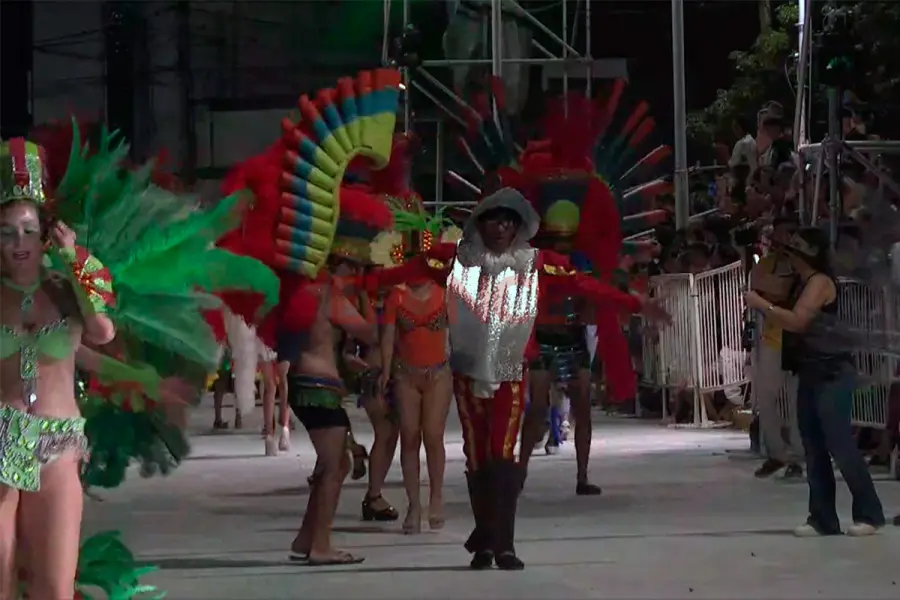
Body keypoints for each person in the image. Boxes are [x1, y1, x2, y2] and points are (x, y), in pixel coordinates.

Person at [2, 127, 277, 597]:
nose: (19, 242)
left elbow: (101, 331)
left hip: (57, 442)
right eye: (7, 232)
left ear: (46, 231)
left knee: (54, 588)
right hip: (2, 435)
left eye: (29, 230)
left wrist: (73, 261)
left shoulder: (69, 286)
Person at [365, 187, 671, 570]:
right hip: (465, 372)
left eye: (510, 220)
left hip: (511, 370)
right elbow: (403, 273)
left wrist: (635, 303)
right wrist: (354, 285)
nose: (502, 226)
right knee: (477, 456)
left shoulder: (539, 263)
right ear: (481, 222)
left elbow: (585, 285)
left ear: (519, 226)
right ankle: (486, 542)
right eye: (495, 218)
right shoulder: (452, 259)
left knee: (502, 453)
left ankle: (502, 544)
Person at [745, 227, 885, 536]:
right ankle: (822, 517)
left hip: (831, 371)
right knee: (813, 447)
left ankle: (869, 513)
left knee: (839, 444)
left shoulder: (820, 283)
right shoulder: (799, 282)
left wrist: (761, 305)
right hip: (809, 369)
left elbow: (798, 320)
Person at [371, 204, 462, 533]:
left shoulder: (446, 294)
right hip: (405, 374)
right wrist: (384, 372)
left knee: (433, 436)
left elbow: (461, 333)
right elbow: (387, 337)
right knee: (409, 438)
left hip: (438, 373)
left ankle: (436, 496)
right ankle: (414, 504)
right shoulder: (395, 297)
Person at [748, 217, 803, 479]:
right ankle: (777, 453)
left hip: (797, 339)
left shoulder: (804, 267)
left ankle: (797, 457)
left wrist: (772, 291)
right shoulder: (766, 264)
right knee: (766, 399)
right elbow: (759, 290)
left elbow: (775, 293)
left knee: (794, 401)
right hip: (772, 338)